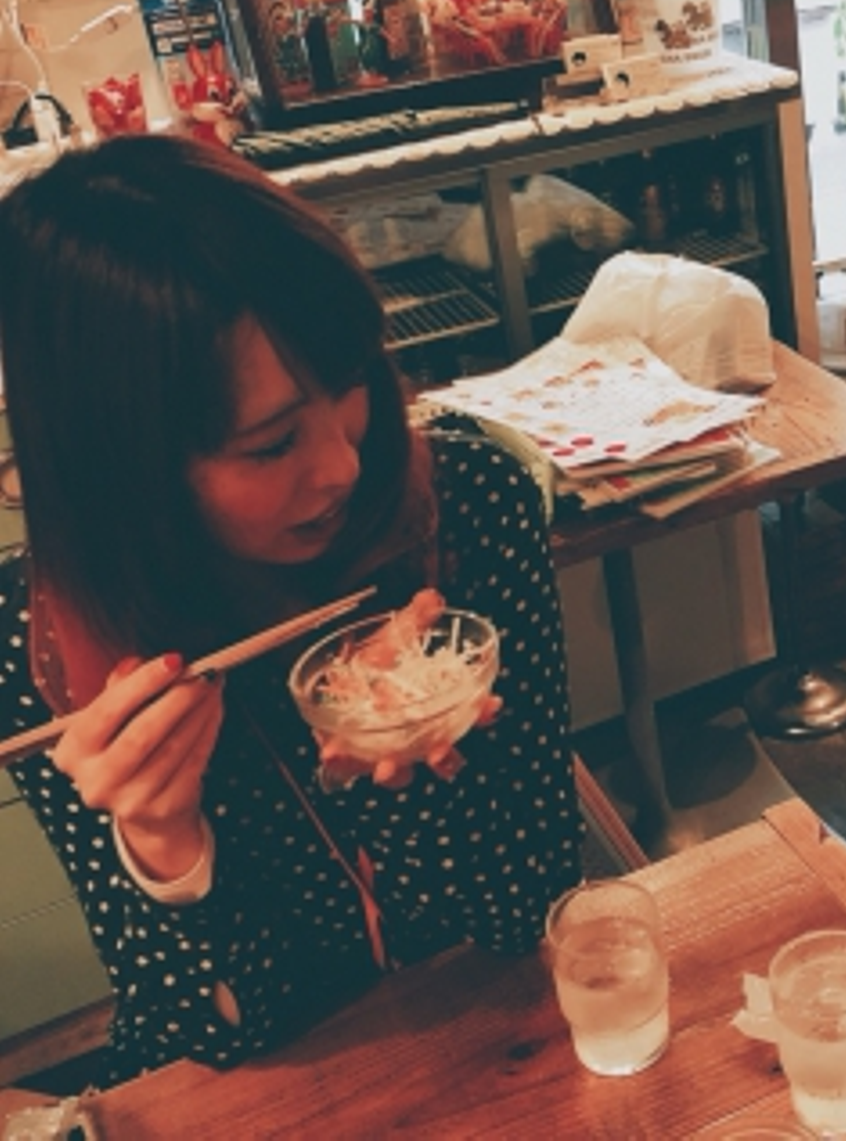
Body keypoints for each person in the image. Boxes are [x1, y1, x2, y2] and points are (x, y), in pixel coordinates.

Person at [0, 134, 582, 1081]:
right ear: (126, 473)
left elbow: (531, 912)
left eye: (348, 383)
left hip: (501, 1045)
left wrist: (405, 768)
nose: (342, 466)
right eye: (271, 446)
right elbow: (207, 1046)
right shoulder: (48, 651)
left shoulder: (466, 507)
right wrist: (165, 849)